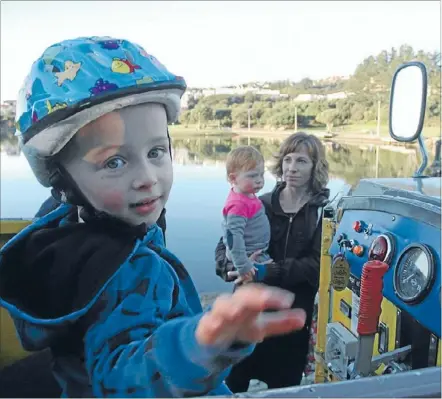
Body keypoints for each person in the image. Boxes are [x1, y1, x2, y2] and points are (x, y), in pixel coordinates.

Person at [0, 36, 307, 398]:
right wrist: (195, 347)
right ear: (62, 178)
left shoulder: (63, 232)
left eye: (156, 151)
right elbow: (119, 377)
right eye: (114, 161)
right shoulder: (127, 268)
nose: (147, 177)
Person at [215, 132, 330, 392]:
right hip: (249, 310)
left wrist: (267, 271)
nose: (291, 168)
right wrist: (233, 268)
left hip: (291, 313)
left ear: (315, 167)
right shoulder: (258, 202)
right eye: (287, 159)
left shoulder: (323, 212)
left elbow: (315, 266)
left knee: (285, 386)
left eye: (301, 161)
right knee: (235, 382)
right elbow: (224, 246)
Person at [221, 146, 272, 284]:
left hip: (255, 252)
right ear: (234, 178)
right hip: (249, 257)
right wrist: (243, 266)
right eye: (252, 175)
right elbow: (233, 237)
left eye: (261, 174)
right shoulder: (238, 204)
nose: (259, 180)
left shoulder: (247, 195)